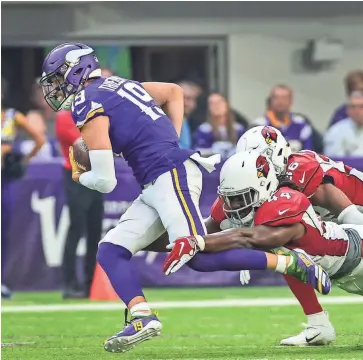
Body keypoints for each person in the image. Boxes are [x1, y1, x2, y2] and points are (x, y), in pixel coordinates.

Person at [40, 43, 328, 353]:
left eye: (58, 78)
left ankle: (289, 262)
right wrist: (171, 138)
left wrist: (79, 173)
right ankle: (142, 317)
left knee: (196, 255)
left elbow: (106, 181)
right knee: (111, 250)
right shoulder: (117, 84)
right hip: (156, 178)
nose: (56, 87)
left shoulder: (87, 98)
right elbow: (173, 92)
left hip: (169, 174)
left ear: (76, 70)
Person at [164, 151, 363, 323]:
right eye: (229, 199)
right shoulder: (244, 204)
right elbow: (208, 230)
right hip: (344, 273)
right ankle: (316, 320)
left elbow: (255, 236)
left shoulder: (286, 200)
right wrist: (166, 240)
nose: (233, 206)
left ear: (262, 186)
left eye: (240, 197)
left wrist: (199, 242)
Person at [1, 78, 45, 299]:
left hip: (4, 178)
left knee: (3, 228)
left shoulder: (11, 116)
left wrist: (23, 160)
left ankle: (1, 279)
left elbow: (39, 139)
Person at [56, 109, 104, 299]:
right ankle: (70, 283)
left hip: (98, 175)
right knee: (76, 228)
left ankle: (90, 284)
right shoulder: (65, 116)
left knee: (94, 231)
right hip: (76, 175)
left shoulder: (94, 113)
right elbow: (84, 145)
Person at [252, 85, 314, 152]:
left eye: (284, 98)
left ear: (291, 101)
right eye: (276, 98)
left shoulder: (301, 125)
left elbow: (308, 154)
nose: (280, 102)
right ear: (270, 101)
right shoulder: (258, 126)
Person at [194, 93, 245, 158]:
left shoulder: (239, 129)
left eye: (219, 102)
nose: (216, 106)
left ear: (226, 104)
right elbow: (199, 152)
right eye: (212, 103)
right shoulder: (204, 130)